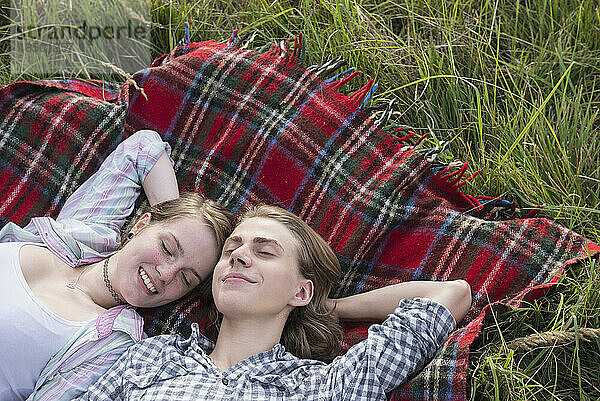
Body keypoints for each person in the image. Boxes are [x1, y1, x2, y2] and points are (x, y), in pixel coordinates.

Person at [74, 205, 472, 400]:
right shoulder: (152, 357)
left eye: (265, 252)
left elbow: (450, 294)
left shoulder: (321, 388)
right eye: (233, 248)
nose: (240, 256)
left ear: (300, 291)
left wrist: (329, 307)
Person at [0, 130, 234, 401]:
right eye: (167, 248)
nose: (166, 274)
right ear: (140, 224)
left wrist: (166, 233)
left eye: (186, 278)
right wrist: (175, 216)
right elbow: (142, 149)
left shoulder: (111, 343)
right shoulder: (84, 234)